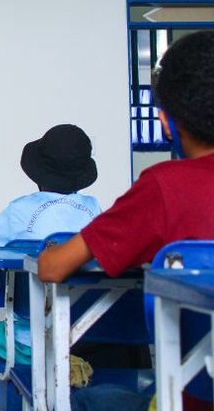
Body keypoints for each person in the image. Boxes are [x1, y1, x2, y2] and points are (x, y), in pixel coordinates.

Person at [38, 31, 214, 411]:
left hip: (193, 395)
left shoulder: (165, 187)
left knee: (87, 400)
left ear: (166, 122)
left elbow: (53, 267)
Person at [0, 123, 102, 381]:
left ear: (38, 172)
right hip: (88, 330)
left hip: (29, 335)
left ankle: (4, 397)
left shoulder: (21, 210)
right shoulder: (94, 210)